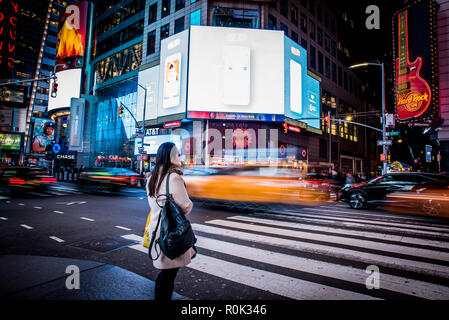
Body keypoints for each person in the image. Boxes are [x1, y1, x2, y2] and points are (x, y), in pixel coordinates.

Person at [145, 142, 195, 301]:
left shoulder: (152, 177)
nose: (180, 157)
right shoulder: (173, 178)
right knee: (168, 275)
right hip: (171, 232)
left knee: (166, 273)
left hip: (157, 230)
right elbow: (185, 207)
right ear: (171, 156)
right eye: (178, 154)